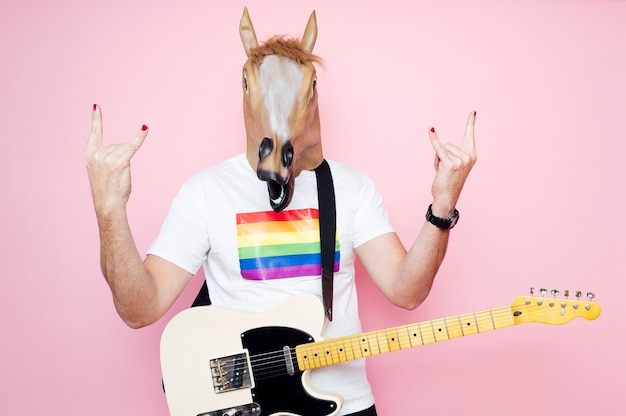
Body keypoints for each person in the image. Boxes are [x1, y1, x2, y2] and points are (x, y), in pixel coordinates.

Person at [82, 11, 476, 416]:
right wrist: (108, 207)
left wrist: (442, 206)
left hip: (344, 406)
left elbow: (407, 292)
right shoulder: (205, 192)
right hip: (245, 406)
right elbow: (138, 309)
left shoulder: (350, 188)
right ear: (248, 91)